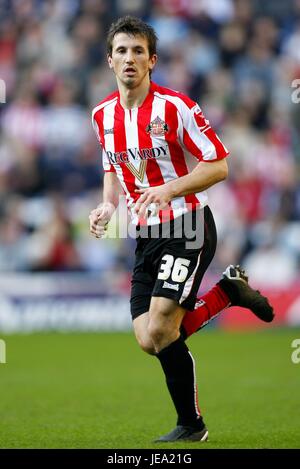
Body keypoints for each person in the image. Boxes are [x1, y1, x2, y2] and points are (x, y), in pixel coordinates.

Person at [89, 16, 274, 442]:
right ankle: (228, 292)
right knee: (147, 338)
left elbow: (219, 165)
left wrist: (168, 188)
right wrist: (107, 205)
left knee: (160, 329)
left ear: (152, 60)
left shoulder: (176, 107)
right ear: (109, 61)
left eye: (138, 51)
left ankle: (192, 425)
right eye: (121, 51)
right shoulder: (102, 116)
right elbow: (112, 168)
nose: (129, 58)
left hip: (188, 223)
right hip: (145, 234)